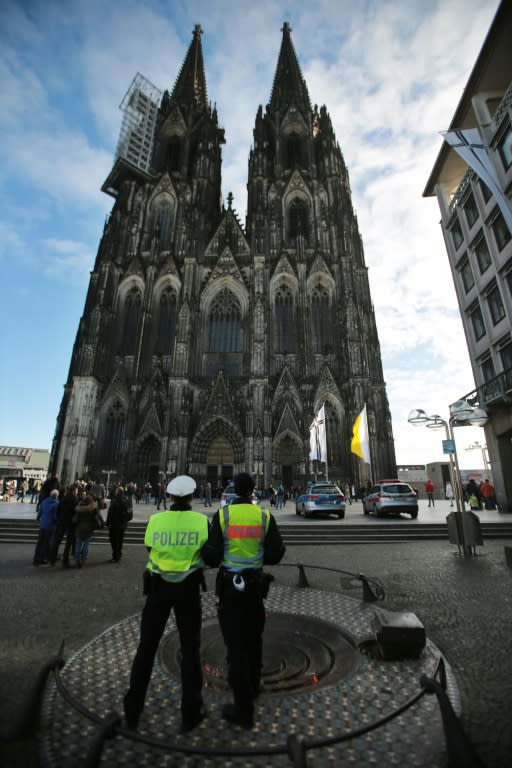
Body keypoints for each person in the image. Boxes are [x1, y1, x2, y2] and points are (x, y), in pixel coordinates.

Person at [124, 475, 209, 733]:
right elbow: (208, 553)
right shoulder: (201, 521)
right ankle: (191, 712)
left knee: (146, 648)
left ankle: (132, 711)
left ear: (169, 497)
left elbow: (150, 549)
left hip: (158, 590)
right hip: (187, 591)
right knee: (190, 651)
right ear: (193, 496)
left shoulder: (155, 520)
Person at [202, 471, 286, 729]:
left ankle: (244, 710)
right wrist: (257, 557)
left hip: (230, 588)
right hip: (254, 588)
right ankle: (255, 685)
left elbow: (212, 558)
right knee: (254, 639)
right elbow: (276, 553)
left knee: (236, 647)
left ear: (233, 490)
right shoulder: (263, 515)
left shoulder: (223, 515)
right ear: (253, 491)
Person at [49, 484, 78, 567]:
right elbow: (76, 512)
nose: (76, 493)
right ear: (73, 491)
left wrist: (59, 519)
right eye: (76, 491)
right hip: (70, 524)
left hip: (61, 523)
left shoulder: (63, 499)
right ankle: (65, 560)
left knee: (57, 541)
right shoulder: (74, 500)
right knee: (68, 543)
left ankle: (52, 559)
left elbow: (57, 511)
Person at [33, 489, 59, 565]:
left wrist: (38, 518)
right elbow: (55, 516)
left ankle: (36, 559)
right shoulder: (56, 504)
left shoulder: (44, 501)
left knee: (40, 542)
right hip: (50, 526)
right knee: (47, 543)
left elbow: (40, 512)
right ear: (56, 496)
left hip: (43, 524)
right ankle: (43, 558)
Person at [106, 486, 131, 562]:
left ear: (117, 492)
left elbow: (110, 513)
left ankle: (115, 556)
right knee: (120, 540)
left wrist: (108, 523)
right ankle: (119, 554)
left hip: (115, 524)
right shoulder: (126, 500)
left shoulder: (115, 500)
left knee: (114, 540)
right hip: (123, 524)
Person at [72, 494, 97, 568]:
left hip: (79, 528)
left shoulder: (79, 509)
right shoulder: (92, 509)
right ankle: (83, 559)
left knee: (78, 545)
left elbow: (74, 520)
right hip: (88, 528)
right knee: (86, 545)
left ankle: (77, 560)